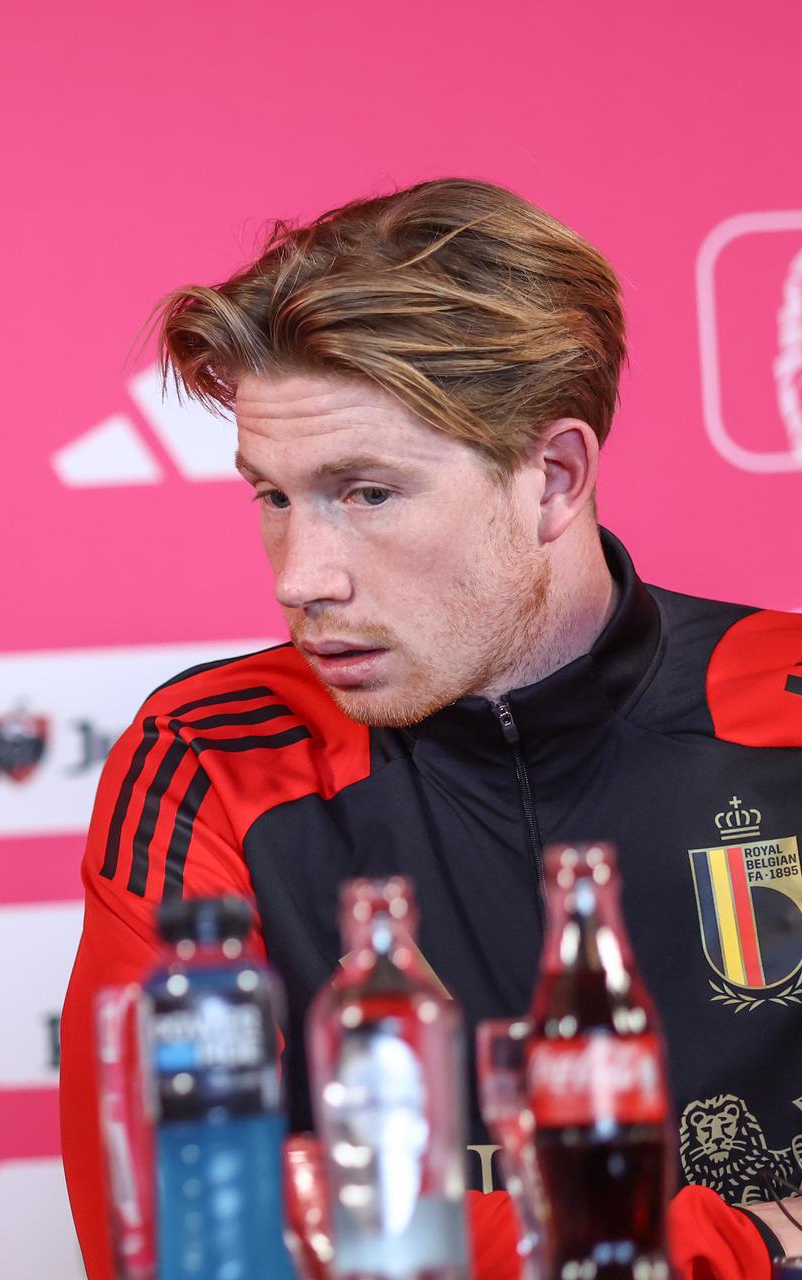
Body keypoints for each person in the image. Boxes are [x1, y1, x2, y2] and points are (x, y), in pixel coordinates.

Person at [58, 178, 802, 1277]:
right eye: (272, 496)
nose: (301, 577)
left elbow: (294, 1227)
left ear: (551, 477)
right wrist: (733, 1245)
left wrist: (353, 1218)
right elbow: (183, 1233)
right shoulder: (208, 754)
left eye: (366, 493)